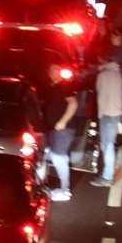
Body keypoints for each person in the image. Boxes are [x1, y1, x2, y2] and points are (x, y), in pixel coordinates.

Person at [92, 47, 122, 187]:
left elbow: (98, 91)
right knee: (108, 144)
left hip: (107, 114)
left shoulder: (103, 75)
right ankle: (108, 173)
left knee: (107, 145)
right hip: (116, 112)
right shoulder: (118, 73)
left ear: (102, 60)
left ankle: (107, 177)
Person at [44, 64, 79, 200]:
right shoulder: (53, 88)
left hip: (63, 129)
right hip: (55, 129)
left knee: (58, 157)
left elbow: (73, 103)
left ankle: (65, 191)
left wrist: (62, 121)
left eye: (57, 69)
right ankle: (62, 187)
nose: (54, 72)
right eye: (51, 69)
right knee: (58, 157)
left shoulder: (64, 86)